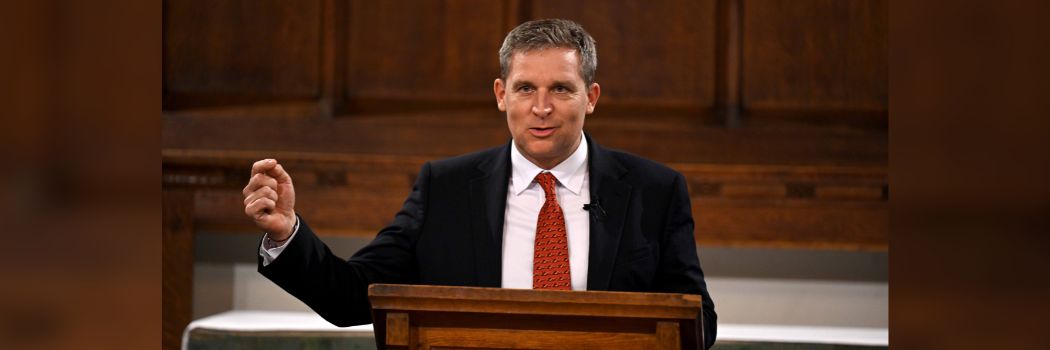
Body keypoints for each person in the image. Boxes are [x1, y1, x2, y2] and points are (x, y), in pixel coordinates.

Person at [242, 18, 717, 348]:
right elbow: (352, 297)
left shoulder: (655, 191)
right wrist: (287, 234)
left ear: (590, 97)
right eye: (526, 88)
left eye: (561, 89)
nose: (542, 107)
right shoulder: (444, 188)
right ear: (500, 94)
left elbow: (699, 323)